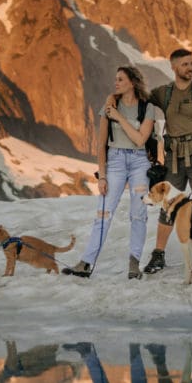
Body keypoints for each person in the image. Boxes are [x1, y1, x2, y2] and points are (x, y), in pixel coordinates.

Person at [66, 66, 157, 279]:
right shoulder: (109, 106)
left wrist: (119, 117)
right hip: (115, 161)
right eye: (115, 79)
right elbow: (101, 144)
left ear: (132, 83)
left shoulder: (147, 107)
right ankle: (86, 263)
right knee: (104, 213)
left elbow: (140, 139)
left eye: (121, 79)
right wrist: (103, 176)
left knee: (138, 214)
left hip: (140, 162)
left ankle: (134, 264)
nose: (116, 83)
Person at [141, 49, 192, 275]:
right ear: (174, 67)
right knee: (167, 204)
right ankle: (158, 255)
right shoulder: (164, 93)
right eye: (185, 64)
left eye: (191, 64)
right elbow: (140, 98)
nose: (190, 68)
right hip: (173, 157)